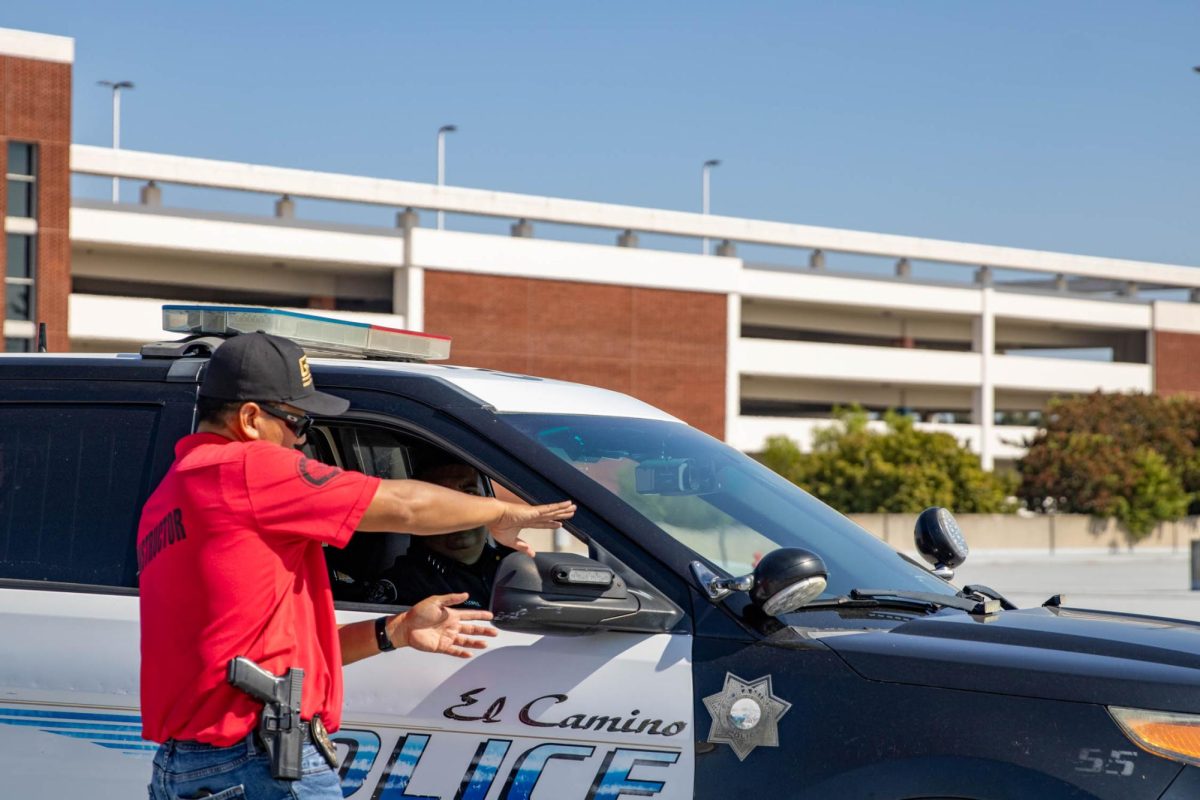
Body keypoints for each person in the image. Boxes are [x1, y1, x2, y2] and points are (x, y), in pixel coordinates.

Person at [137, 332, 575, 800]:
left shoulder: (170, 497)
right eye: (298, 423)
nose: (302, 443)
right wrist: (501, 514)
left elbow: (262, 658)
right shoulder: (245, 469)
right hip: (260, 761)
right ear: (249, 419)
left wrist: (397, 630)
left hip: (196, 765)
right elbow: (404, 505)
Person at [365, 461, 514, 609]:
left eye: (470, 493)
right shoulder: (405, 586)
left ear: (490, 502)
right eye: (442, 501)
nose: (459, 511)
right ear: (419, 513)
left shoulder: (513, 566)